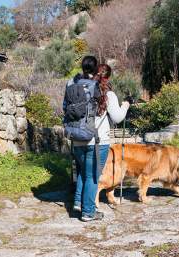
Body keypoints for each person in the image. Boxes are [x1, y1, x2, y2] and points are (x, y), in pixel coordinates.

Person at [66, 59, 129, 222]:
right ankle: (88, 212)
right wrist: (126, 105)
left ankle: (79, 203)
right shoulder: (107, 93)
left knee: (83, 173)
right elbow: (117, 117)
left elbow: (65, 109)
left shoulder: (72, 86)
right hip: (97, 140)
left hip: (77, 137)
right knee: (93, 177)